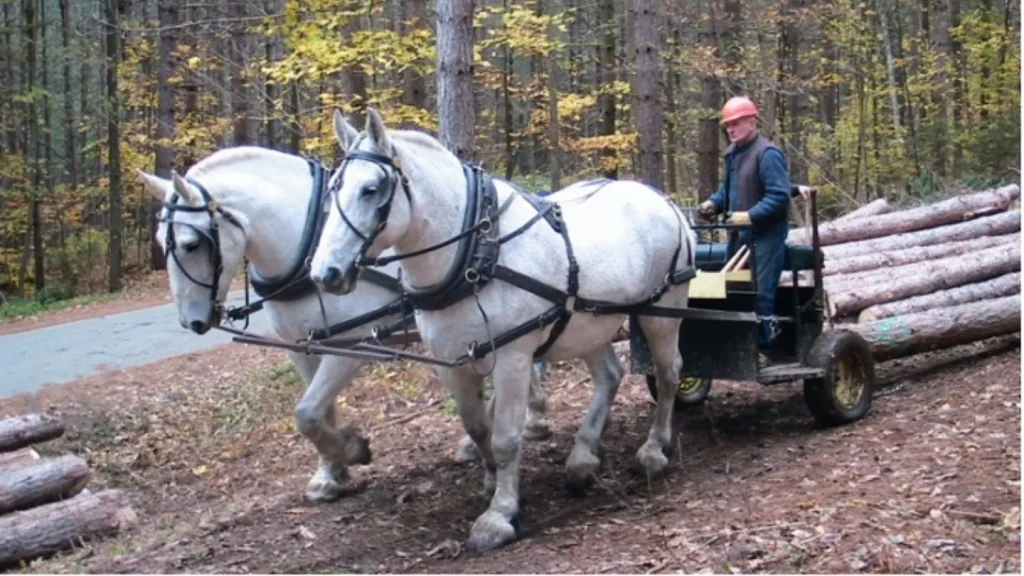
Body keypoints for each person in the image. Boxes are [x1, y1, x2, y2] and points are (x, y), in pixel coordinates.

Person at [697, 96, 810, 366]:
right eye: (727, 125)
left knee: (761, 293)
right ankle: (734, 346)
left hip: (767, 237)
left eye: (736, 123)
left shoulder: (768, 154)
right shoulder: (733, 155)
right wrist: (713, 202)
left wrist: (749, 215)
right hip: (740, 236)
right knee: (734, 290)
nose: (731, 129)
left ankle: (763, 349)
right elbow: (729, 191)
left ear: (752, 121)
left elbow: (779, 196)